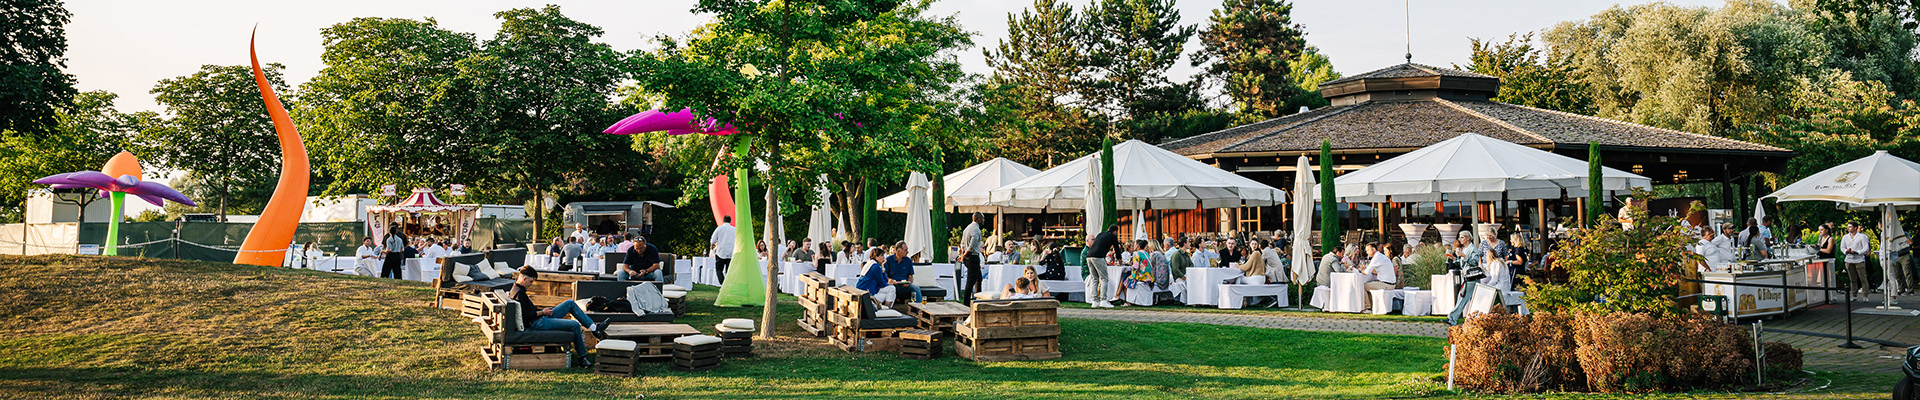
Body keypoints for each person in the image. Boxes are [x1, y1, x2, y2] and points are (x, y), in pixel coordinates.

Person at [509, 266, 606, 367]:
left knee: (570, 303)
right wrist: (542, 312)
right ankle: (582, 358)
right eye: (531, 281)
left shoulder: (516, 289)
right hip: (537, 323)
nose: (531, 284)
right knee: (575, 325)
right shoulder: (519, 294)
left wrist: (544, 311)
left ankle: (594, 328)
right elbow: (526, 316)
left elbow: (528, 310)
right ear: (524, 279)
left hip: (540, 318)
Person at [1085, 224, 1120, 308]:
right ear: (1115, 232)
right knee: (1104, 278)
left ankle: (1094, 301)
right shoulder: (1112, 236)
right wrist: (1119, 259)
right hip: (1098, 256)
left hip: (1089, 256)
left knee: (1094, 279)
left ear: (1108, 229)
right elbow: (1116, 248)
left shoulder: (1100, 234)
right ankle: (1103, 300)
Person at [1361, 242, 1398, 312]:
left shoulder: (1376, 257)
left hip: (1386, 284)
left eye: (1368, 250)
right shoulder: (1381, 256)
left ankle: (1368, 308)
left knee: (1364, 286)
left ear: (1374, 249)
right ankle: (1372, 307)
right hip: (1390, 284)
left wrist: (1360, 270)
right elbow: (1380, 271)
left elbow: (1366, 272)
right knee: (1370, 285)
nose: (1367, 252)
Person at [960, 212, 986, 304]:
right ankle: (966, 302)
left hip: (968, 257)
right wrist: (964, 254)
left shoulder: (967, 228)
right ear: (978, 219)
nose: (983, 220)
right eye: (982, 219)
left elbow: (962, 242)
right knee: (971, 281)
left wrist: (962, 252)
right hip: (972, 257)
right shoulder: (976, 230)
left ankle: (978, 298)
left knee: (978, 278)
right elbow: (972, 245)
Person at [1842, 222, 1872, 299]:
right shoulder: (1845, 237)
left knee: (1862, 278)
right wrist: (1846, 251)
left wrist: (1858, 252)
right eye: (1848, 227)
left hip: (1859, 259)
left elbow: (1866, 248)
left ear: (1855, 228)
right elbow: (1842, 247)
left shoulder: (1862, 236)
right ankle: (1854, 295)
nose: (1848, 228)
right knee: (1852, 279)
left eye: (1850, 227)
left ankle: (1865, 295)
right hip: (1849, 259)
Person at [710, 216, 736, 283]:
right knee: (729, 271)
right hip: (731, 252)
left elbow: (713, 240)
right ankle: (728, 283)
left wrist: (712, 246)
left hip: (720, 252)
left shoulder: (719, 229)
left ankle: (722, 282)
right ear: (730, 221)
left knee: (719, 269)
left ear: (723, 220)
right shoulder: (734, 229)